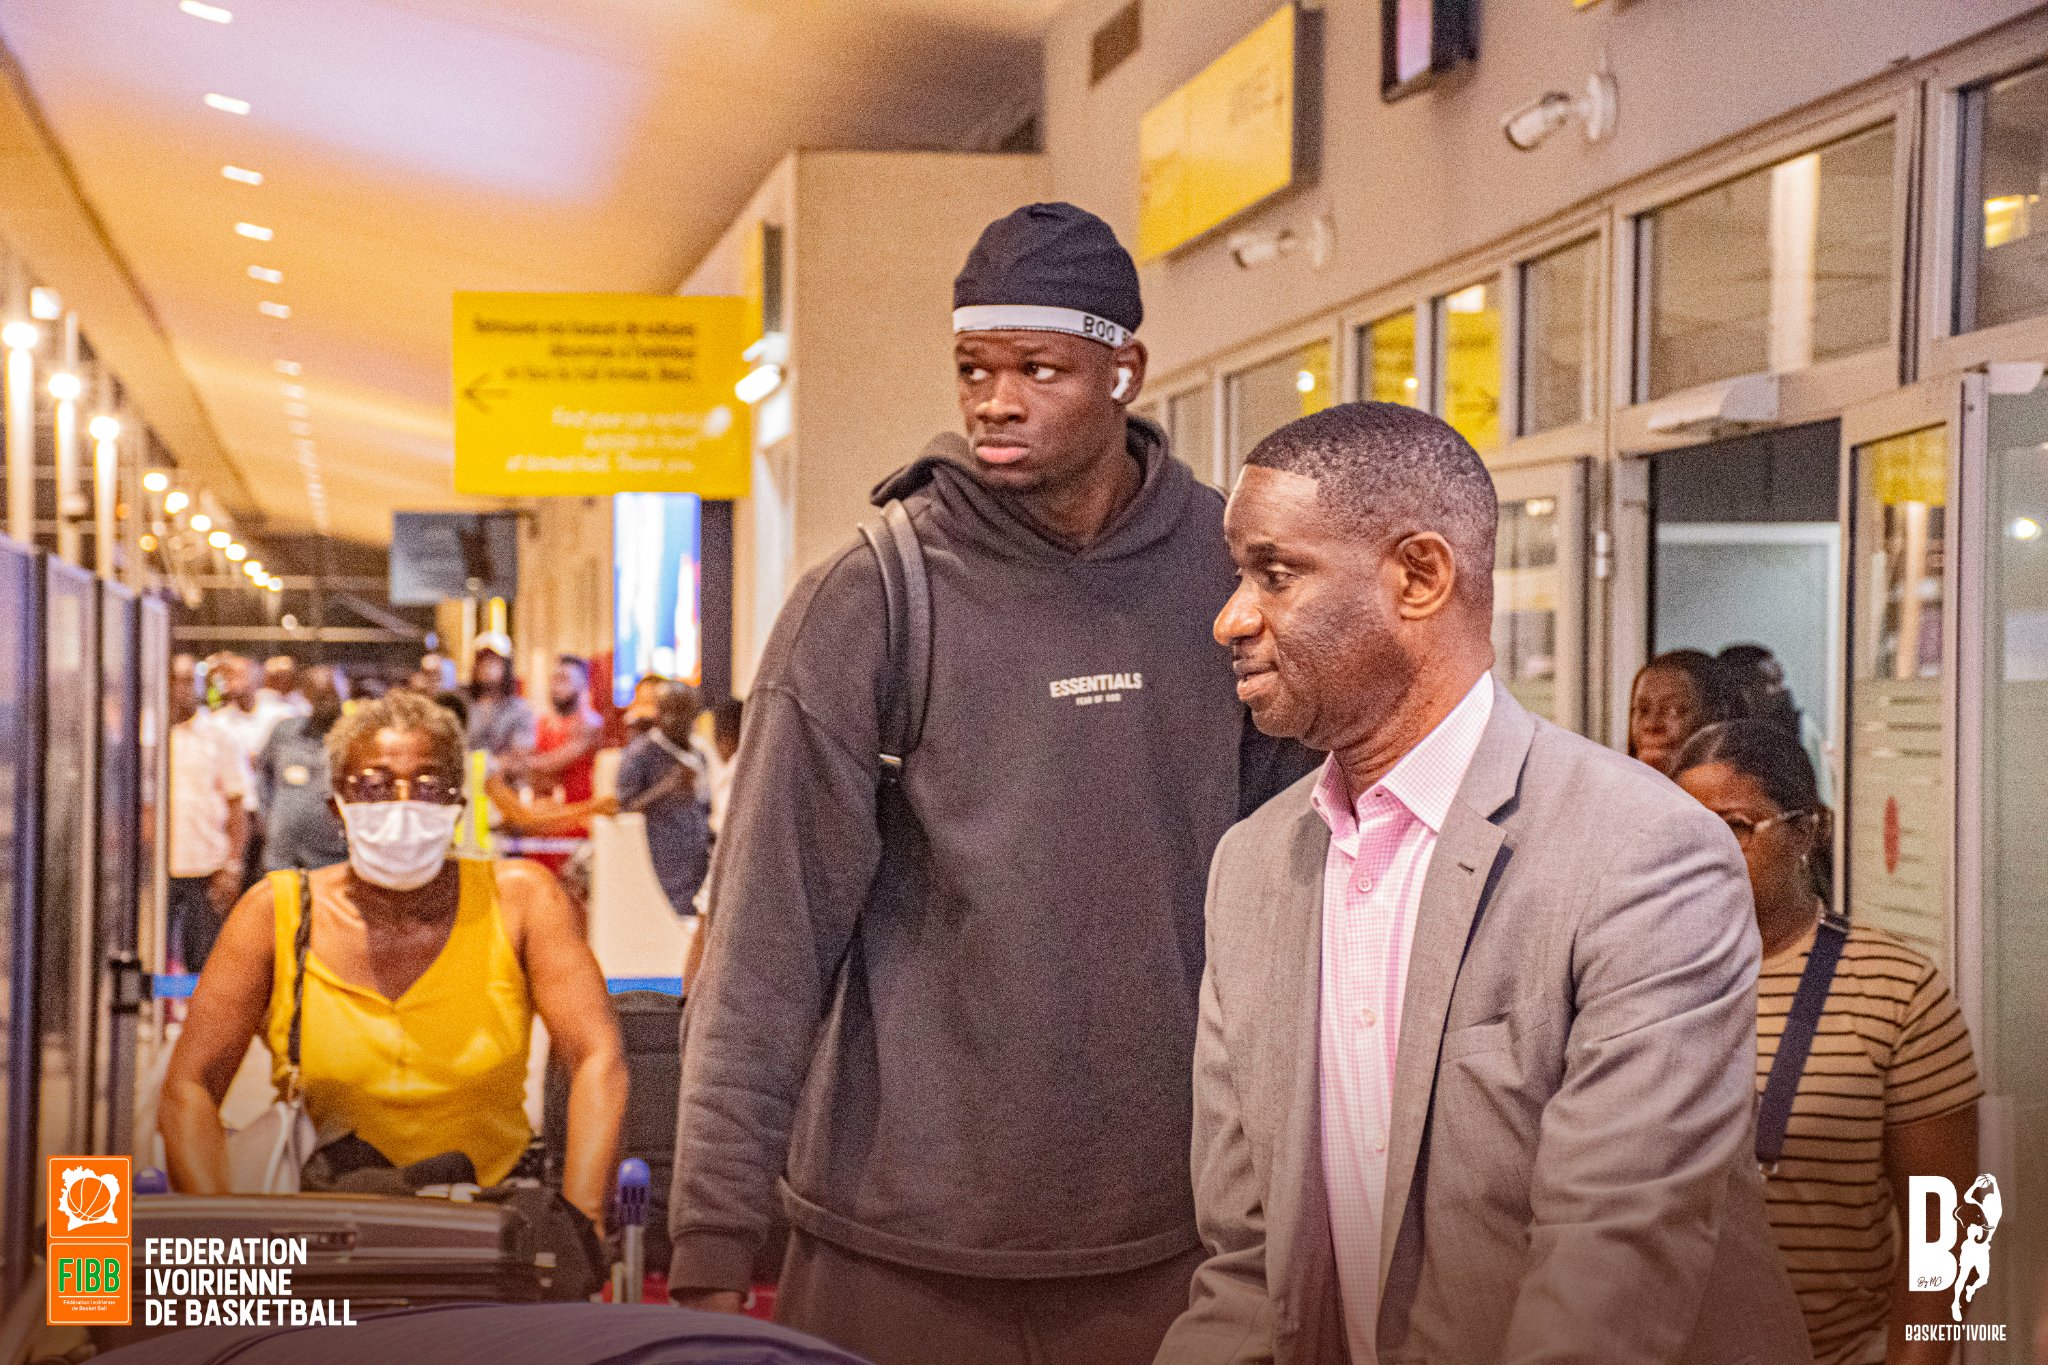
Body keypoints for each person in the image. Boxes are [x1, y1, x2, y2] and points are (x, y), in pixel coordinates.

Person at [668, 202, 1312, 1365]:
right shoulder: (870, 598)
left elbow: (1305, 899)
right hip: (890, 1246)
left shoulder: (1225, 581)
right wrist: (712, 1236)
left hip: (1170, 1238)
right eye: (974, 368)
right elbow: (766, 935)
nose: (994, 402)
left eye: (1037, 369)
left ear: (1125, 368)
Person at [1162, 401, 1809, 1364]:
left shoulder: (1643, 854)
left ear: (1419, 576)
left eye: (1276, 572)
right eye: (1237, 575)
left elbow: (1609, 1274)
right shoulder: (1254, 864)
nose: (1231, 617)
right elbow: (1253, 1268)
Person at [157, 689, 627, 1227]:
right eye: (374, 786)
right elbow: (188, 1088)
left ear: (456, 807)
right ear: (338, 806)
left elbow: (597, 1054)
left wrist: (581, 1221)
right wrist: (227, 1245)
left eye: (428, 786)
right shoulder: (277, 914)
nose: (402, 806)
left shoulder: (519, 899)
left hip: (487, 1219)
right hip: (326, 1223)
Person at [1673, 719, 1980, 1365]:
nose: (1706, 851)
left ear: (1809, 828)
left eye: (1735, 826)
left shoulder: (1896, 988)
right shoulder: (1635, 978)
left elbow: (1945, 1230)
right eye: (1685, 830)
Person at [167, 654, 250, 973]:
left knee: (203, 961)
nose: (181, 689)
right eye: (175, 680)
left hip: (207, 868)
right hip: (156, 870)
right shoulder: (147, 732)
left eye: (188, 680)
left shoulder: (220, 737)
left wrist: (232, 865)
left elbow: (237, 806)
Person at [614, 682, 712, 917]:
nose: (677, 720)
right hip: (659, 859)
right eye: (671, 711)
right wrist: (667, 787)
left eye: (684, 713)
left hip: (695, 859)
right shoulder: (641, 753)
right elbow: (624, 807)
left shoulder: (698, 753)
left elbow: (706, 805)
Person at [254, 664, 351, 872]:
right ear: (307, 696)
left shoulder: (354, 740)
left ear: (344, 692)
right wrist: (267, 819)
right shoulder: (285, 732)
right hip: (282, 854)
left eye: (330, 695)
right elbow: (262, 774)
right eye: (318, 696)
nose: (325, 703)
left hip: (333, 858)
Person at [1717, 642, 1836, 804]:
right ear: (1743, 691)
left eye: (1780, 682)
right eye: (1772, 683)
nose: (1784, 691)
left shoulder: (1801, 729)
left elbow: (1822, 798)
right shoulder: (1715, 742)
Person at [1627, 646, 1739, 776]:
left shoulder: (1739, 792)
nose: (1651, 725)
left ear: (1716, 716)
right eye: (1643, 710)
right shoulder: (1614, 789)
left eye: (1671, 710)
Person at [467, 636, 537, 762]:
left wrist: (483, 764)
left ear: (506, 667)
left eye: (493, 661)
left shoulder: (520, 710)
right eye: (482, 661)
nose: (487, 667)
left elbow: (520, 757)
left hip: (503, 781)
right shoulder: (463, 706)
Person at [259, 654, 311, 719]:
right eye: (277, 675)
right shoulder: (260, 698)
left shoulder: (298, 697)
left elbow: (308, 713)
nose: (283, 680)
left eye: (287, 675)